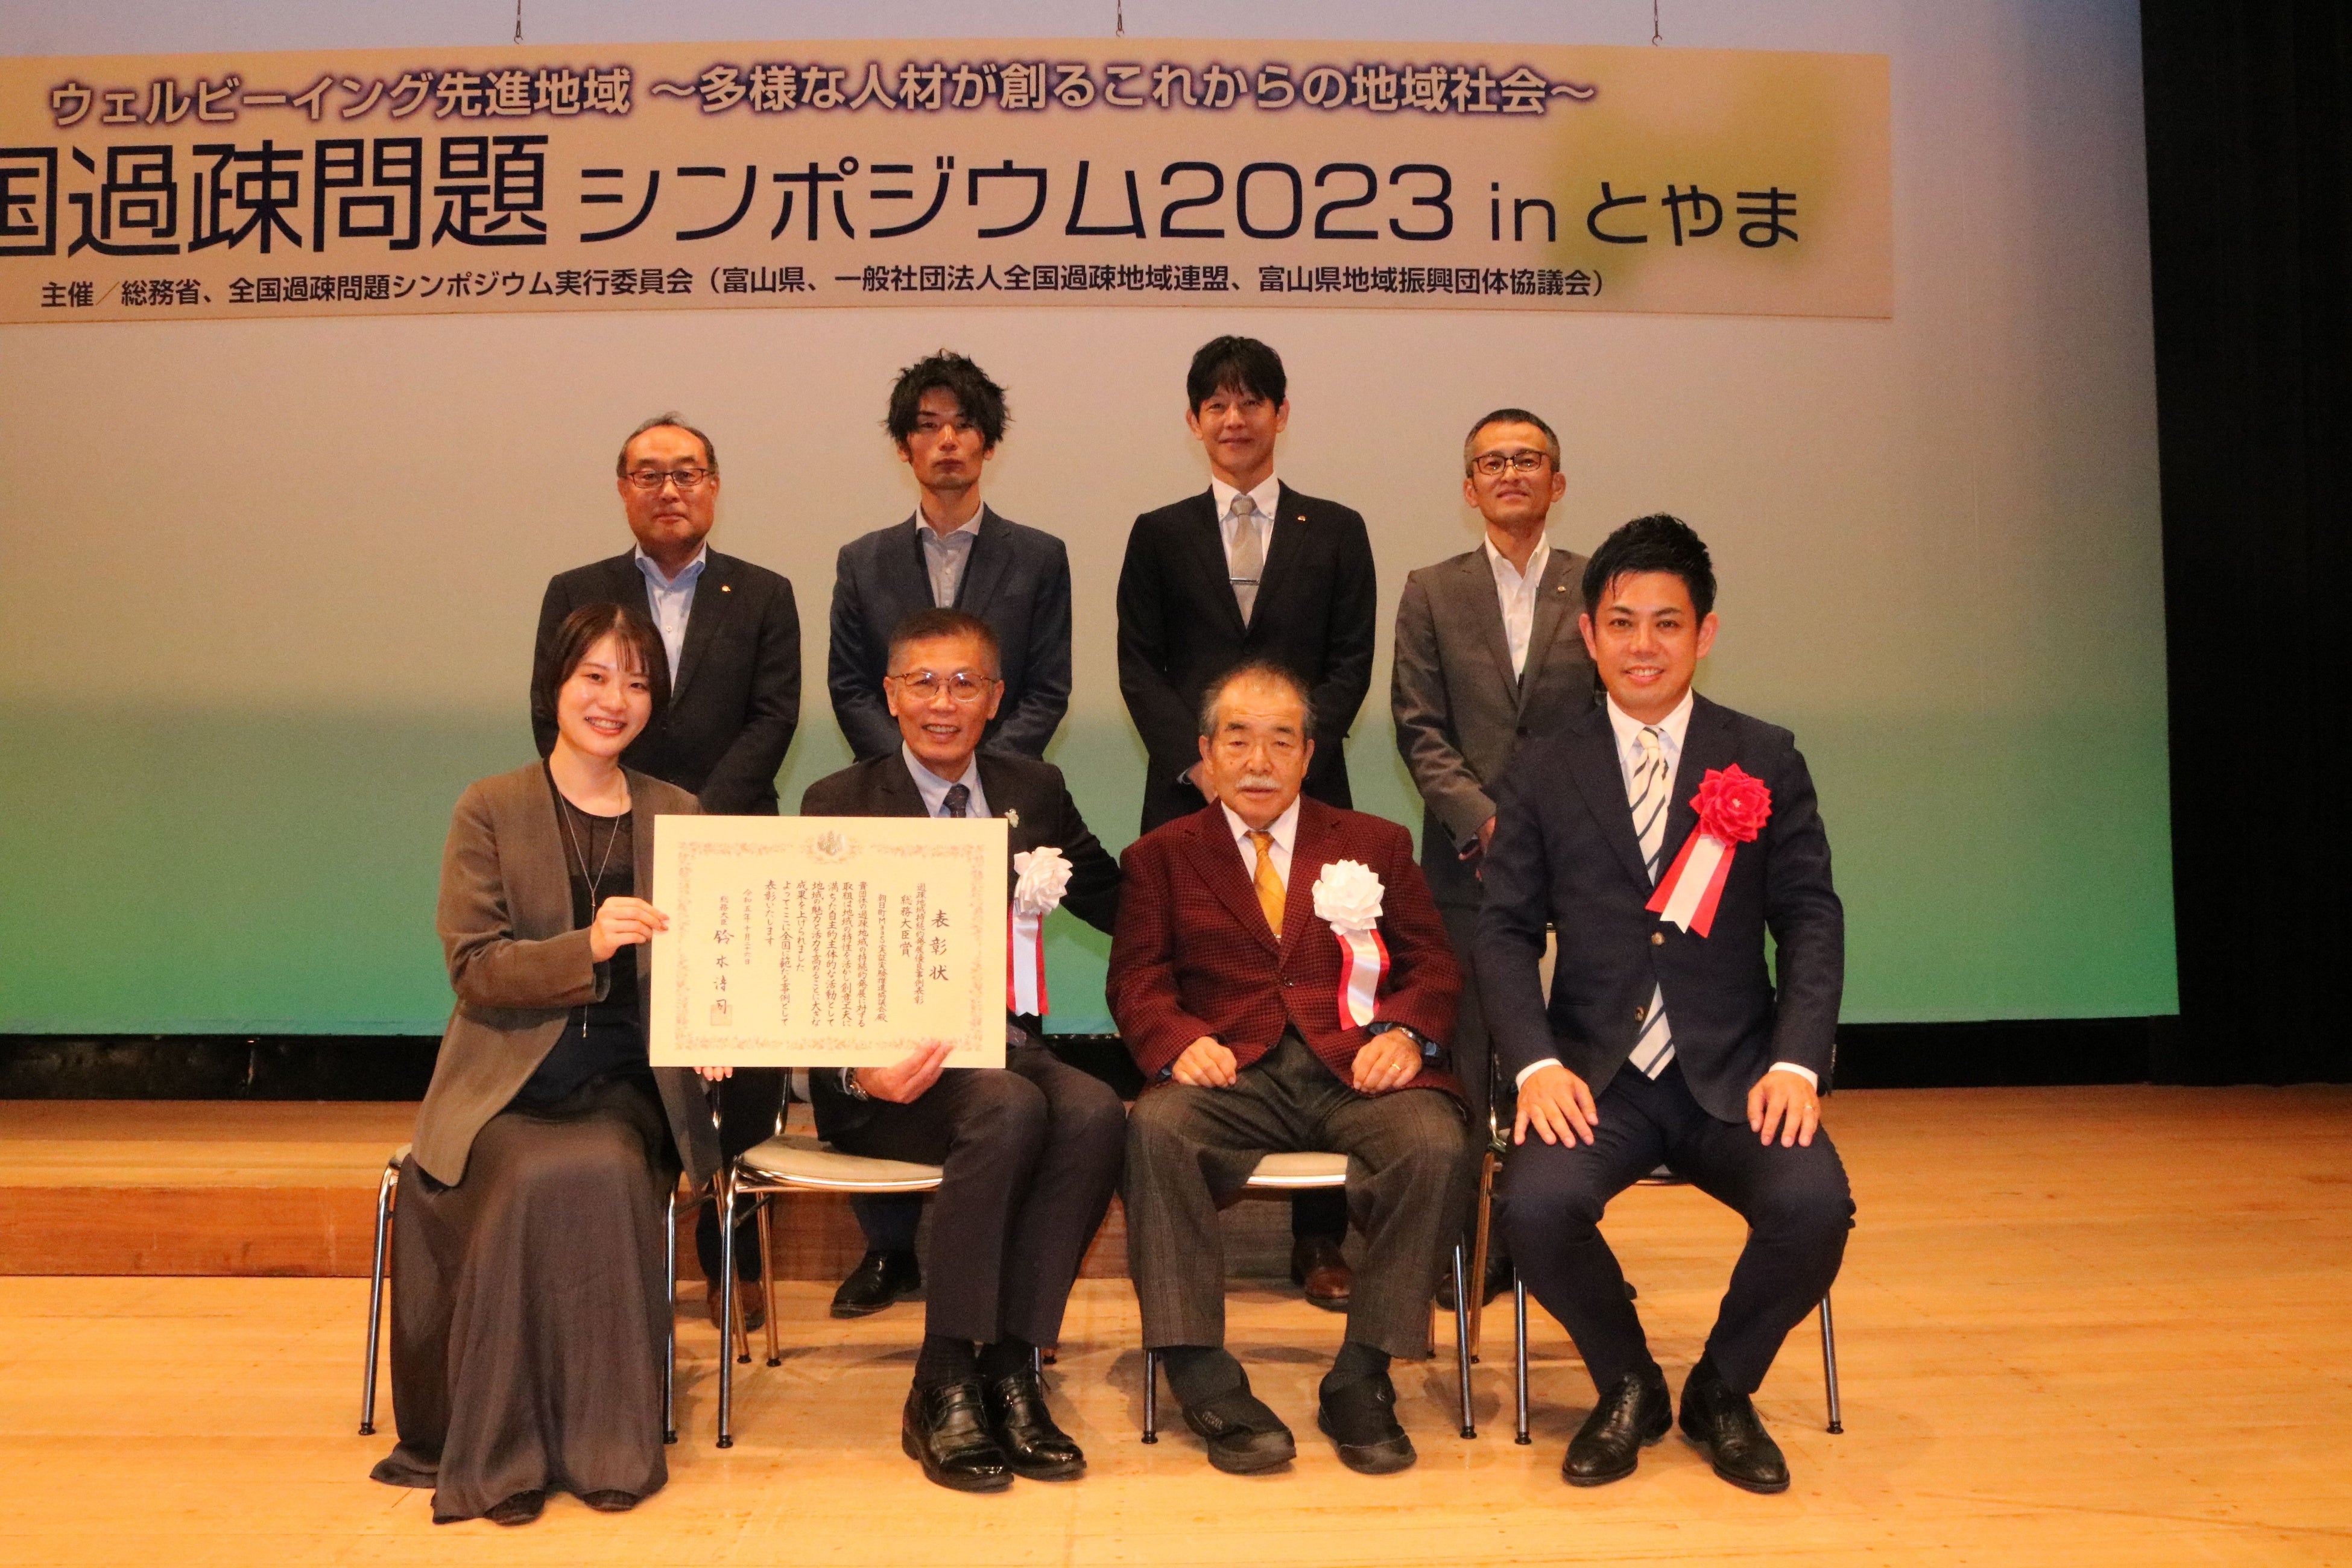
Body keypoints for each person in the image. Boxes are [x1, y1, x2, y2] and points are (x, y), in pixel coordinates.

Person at [1476, 515, 1853, 1494]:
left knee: (1815, 1207)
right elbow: (1504, 931)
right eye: (1622, 623)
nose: (1643, 645)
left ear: (1705, 634)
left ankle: (1723, 1389)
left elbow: (1811, 918)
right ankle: (1629, 1380)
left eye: (1667, 623)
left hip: (1737, 1075)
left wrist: (1797, 1061)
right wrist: (1535, 1064)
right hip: (1594, 1078)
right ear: (1589, 635)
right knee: (1534, 1207)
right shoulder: (1544, 765)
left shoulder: (1764, 755)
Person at [373, 603, 726, 1525]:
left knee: (600, 1166)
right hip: (507, 1084)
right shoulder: (490, 807)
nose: (615, 700)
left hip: (627, 1086)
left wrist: (717, 1029)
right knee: (528, 1174)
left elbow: (710, 960)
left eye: (637, 683)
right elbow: (475, 968)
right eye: (595, 677)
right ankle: (505, 1450)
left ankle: (605, 1444)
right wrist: (589, 945)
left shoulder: (678, 812)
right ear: (556, 687)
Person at [1108, 660, 1472, 1476]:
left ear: (1309, 755)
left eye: (1281, 741)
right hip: (1232, 1073)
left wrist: (1405, 1034)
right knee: (1157, 1133)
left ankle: (1363, 1373)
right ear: (1207, 753)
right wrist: (1176, 1039)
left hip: (1355, 1069)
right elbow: (1136, 979)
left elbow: (1434, 967)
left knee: (1436, 1144)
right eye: (1238, 739)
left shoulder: (1375, 843)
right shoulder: (1161, 855)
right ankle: (1201, 1373)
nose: (1259, 761)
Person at [800, 608, 1125, 1492]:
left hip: (1006, 1048)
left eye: (964, 684)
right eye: (923, 683)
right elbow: (809, 962)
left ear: (996, 698)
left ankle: (1013, 1367)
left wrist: (1217, 905)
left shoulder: (1035, 787)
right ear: (890, 696)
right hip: (886, 1076)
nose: (943, 703)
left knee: (1095, 1111)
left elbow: (1116, 899)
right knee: (1008, 1107)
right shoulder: (837, 801)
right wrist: (853, 1070)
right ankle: (942, 1379)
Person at [1114, 335, 1376, 1304]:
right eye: (1217, 404)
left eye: (1251, 402)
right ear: (1194, 421)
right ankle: (1189, 1212)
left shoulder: (1336, 529)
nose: (1235, 419)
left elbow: (1350, 661)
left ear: (1280, 414)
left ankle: (1320, 1239)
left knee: (1321, 998)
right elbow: (1138, 662)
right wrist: (1205, 767)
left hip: (1312, 801)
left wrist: (1286, 765)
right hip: (1190, 795)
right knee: (1193, 987)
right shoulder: (1159, 532)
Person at [531, 413, 798, 1330]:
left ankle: (735, 1259)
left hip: (733, 845)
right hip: (609, 845)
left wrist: (688, 826)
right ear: (622, 489)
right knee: (634, 1042)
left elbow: (774, 719)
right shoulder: (578, 590)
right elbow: (553, 713)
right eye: (649, 473)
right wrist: (636, 818)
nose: (669, 489)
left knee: (743, 1062)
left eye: (687, 472)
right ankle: (627, 1261)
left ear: (714, 486)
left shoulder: (763, 592)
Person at [824, 352, 1076, 1318]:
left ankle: (995, 1268)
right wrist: (911, 782)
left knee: (1000, 1050)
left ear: (988, 442)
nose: (947, 441)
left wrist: (979, 776)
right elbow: (854, 684)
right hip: (896, 819)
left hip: (993, 816)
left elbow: (1044, 685)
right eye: (927, 425)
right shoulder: (863, 560)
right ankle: (889, 1248)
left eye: (964, 424)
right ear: (905, 446)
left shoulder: (1039, 555)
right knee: (887, 1017)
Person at [1391, 408, 1597, 1303]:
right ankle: (1465, 1248)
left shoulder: (1598, 587)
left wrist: (1551, 824)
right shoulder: (1431, 590)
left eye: (1528, 459)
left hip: (1579, 860)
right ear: (1469, 488)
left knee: (1561, 1052)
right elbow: (1418, 725)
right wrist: (1484, 821)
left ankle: (1547, 1239)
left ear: (1558, 481)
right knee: (1470, 1053)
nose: (1510, 473)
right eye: (1492, 462)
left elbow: (1611, 719)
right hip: (1467, 865)